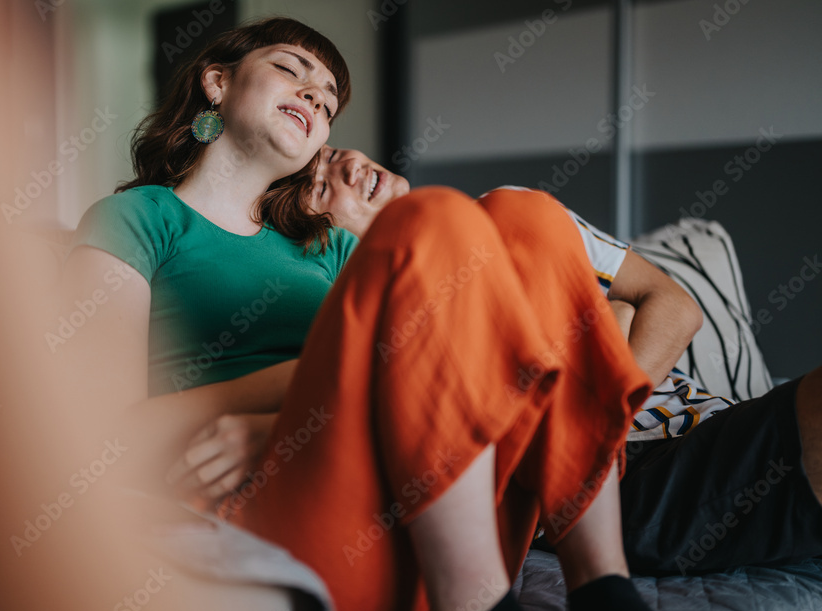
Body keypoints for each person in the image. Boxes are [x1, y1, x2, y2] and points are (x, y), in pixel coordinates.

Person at [65, 18, 663, 611]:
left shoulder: (329, 250)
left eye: (327, 100)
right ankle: (475, 609)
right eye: (290, 70)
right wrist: (297, 405)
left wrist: (295, 409)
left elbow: (416, 368)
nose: (314, 97)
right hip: (288, 518)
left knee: (526, 215)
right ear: (217, 82)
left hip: (428, 523)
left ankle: (602, 588)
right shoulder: (138, 218)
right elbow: (102, 441)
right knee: (430, 217)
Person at [305, 145, 822, 577]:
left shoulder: (513, 213)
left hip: (692, 417)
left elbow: (676, 309)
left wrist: (596, 412)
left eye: (332, 152)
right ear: (318, 243)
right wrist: (610, 331)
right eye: (324, 186)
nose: (348, 164)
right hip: (628, 477)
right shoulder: (391, 330)